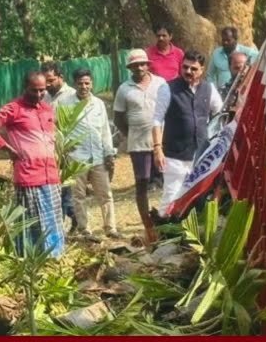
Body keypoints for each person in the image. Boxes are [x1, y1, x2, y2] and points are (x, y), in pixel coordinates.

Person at [0, 72, 65, 258]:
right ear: (25, 88)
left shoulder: (47, 110)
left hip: (51, 176)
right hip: (29, 177)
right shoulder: (14, 109)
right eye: (35, 90)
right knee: (32, 224)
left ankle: (55, 261)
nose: (40, 94)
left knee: (54, 221)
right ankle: (30, 262)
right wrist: (6, 147)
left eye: (43, 90)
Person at [155, 50, 223, 211]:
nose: (188, 71)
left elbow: (220, 114)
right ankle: (163, 231)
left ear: (202, 70)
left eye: (193, 69)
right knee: (171, 195)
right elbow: (157, 120)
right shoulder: (167, 89)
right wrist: (157, 148)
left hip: (201, 155)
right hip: (174, 155)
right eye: (185, 67)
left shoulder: (209, 89)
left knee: (198, 196)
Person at [113, 49, 169, 243]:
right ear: (129, 67)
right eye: (135, 65)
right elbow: (119, 118)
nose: (139, 68)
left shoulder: (160, 83)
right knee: (142, 183)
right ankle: (148, 226)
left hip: (162, 142)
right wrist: (130, 133)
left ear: (148, 64)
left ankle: (168, 220)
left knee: (167, 180)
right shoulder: (124, 89)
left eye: (142, 64)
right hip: (138, 144)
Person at [66, 69, 120, 239]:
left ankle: (110, 228)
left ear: (92, 84)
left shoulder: (98, 104)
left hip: (98, 157)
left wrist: (109, 153)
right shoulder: (66, 104)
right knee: (78, 196)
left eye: (87, 83)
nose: (84, 86)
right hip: (76, 159)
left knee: (105, 194)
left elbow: (105, 130)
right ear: (75, 84)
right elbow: (60, 130)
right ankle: (84, 229)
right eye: (81, 83)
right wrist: (65, 152)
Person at [40, 61, 78, 232]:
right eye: (45, 81)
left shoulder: (72, 95)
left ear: (61, 77)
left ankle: (73, 218)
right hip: (49, 150)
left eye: (51, 80)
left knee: (66, 188)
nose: (48, 84)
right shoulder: (44, 97)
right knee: (56, 190)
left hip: (69, 149)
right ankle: (63, 223)